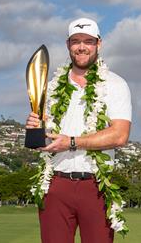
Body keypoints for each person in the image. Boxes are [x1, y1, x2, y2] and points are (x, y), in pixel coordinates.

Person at [26, 18, 132, 243]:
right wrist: (35, 128)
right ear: (68, 45)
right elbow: (45, 135)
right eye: (75, 41)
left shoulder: (115, 84)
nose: (81, 47)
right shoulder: (51, 87)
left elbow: (120, 135)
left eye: (88, 41)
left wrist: (71, 142)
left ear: (98, 44)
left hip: (96, 186)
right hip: (55, 185)